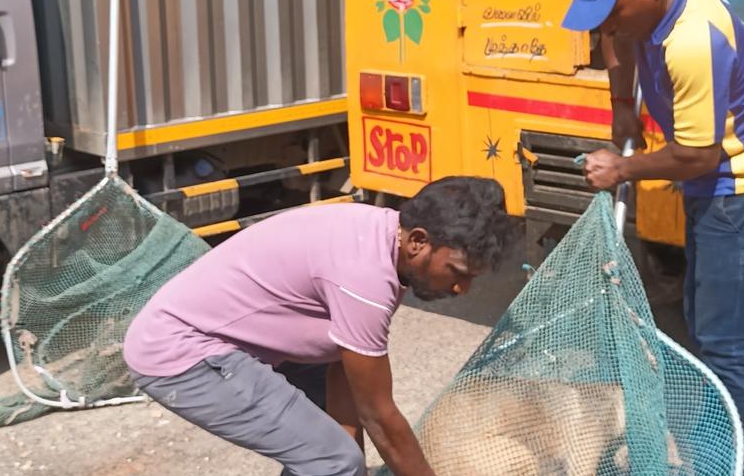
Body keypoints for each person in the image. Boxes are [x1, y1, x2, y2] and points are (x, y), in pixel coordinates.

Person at [564, 0, 744, 475]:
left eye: (612, 10)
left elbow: (698, 156)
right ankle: (719, 453)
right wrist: (623, 103)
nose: (606, 24)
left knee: (728, 340)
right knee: (705, 323)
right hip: (716, 188)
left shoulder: (693, 40)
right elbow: (614, 33)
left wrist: (622, 167)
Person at [123, 176, 518, 476]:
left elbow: (342, 371)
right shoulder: (365, 279)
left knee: (334, 458)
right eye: (458, 272)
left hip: (225, 340)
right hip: (183, 352)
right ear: (418, 242)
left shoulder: (381, 235)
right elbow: (379, 415)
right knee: (334, 461)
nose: (462, 288)